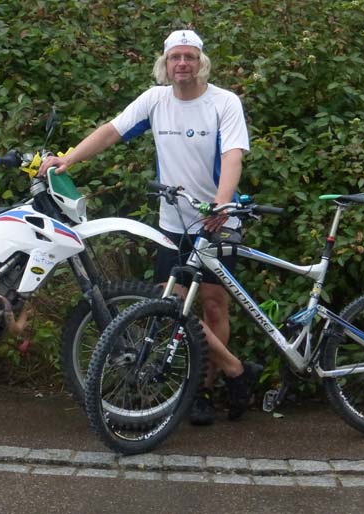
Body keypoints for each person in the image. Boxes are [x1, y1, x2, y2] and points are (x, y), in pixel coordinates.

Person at [38, 29, 261, 424]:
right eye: (175, 57)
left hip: (217, 220)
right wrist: (68, 159)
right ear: (165, 63)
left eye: (189, 57)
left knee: (213, 305)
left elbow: (233, 157)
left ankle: (205, 389)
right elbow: (111, 131)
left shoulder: (224, 102)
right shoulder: (155, 100)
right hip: (172, 224)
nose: (182, 64)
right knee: (171, 304)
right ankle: (227, 373)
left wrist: (222, 203)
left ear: (201, 62)